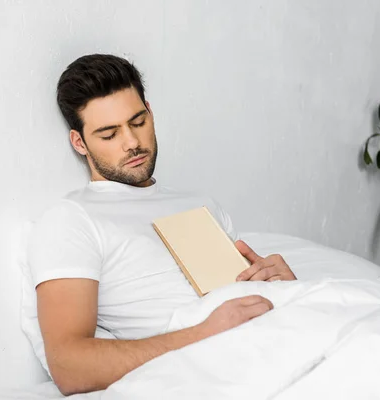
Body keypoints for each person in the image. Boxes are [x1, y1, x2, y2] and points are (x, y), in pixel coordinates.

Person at [27, 54, 297, 395]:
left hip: (280, 335)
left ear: (150, 112)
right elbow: (69, 365)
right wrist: (204, 333)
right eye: (109, 134)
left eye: (138, 122)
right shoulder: (72, 220)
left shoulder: (201, 204)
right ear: (80, 143)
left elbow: (245, 295)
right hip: (220, 363)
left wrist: (285, 288)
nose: (132, 143)